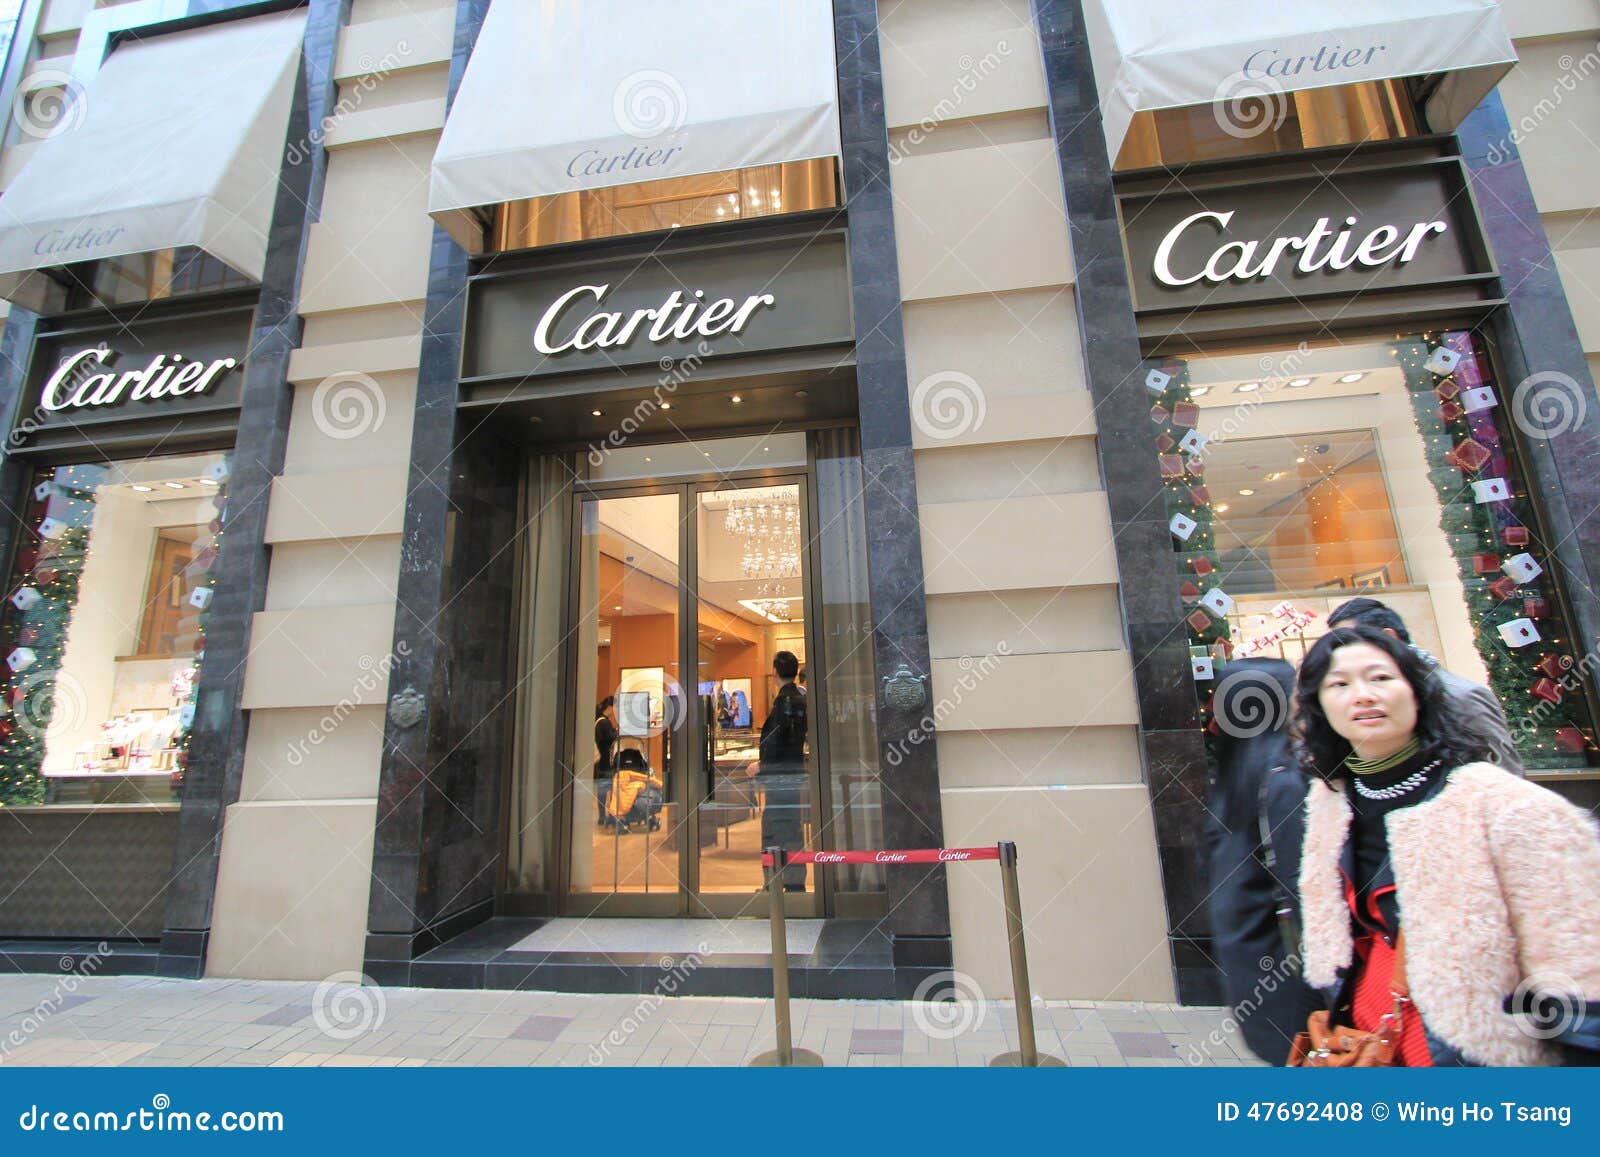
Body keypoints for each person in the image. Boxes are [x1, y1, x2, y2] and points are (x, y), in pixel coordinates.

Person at [1294, 624, 1600, 1065]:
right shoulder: (1331, 802)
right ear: (1320, 705)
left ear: (1417, 690)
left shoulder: (1504, 804)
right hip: (1365, 1047)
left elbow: (1577, 971)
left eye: (1380, 678)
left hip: (1467, 1057)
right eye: (1339, 684)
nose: (1362, 695)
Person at [1203, 659, 1323, 1065]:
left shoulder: (1237, 779)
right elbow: (1303, 890)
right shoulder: (1283, 781)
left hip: (1258, 981)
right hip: (1295, 994)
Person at [1325, 597, 1524, 776]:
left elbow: (1506, 777)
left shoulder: (1460, 696)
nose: (1343, 652)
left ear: (1389, 637)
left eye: (1350, 641)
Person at [758, 650, 808, 891]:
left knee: (775, 828)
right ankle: (794, 880)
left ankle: (776, 883)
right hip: (793, 774)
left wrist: (761, 765)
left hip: (779, 777)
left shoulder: (784, 701)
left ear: (774, 672)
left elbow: (777, 741)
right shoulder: (799, 698)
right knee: (791, 826)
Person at [594, 697, 618, 773]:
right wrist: (618, 731)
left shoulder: (599, 719)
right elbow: (612, 738)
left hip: (601, 761)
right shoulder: (604, 722)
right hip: (605, 762)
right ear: (610, 707)